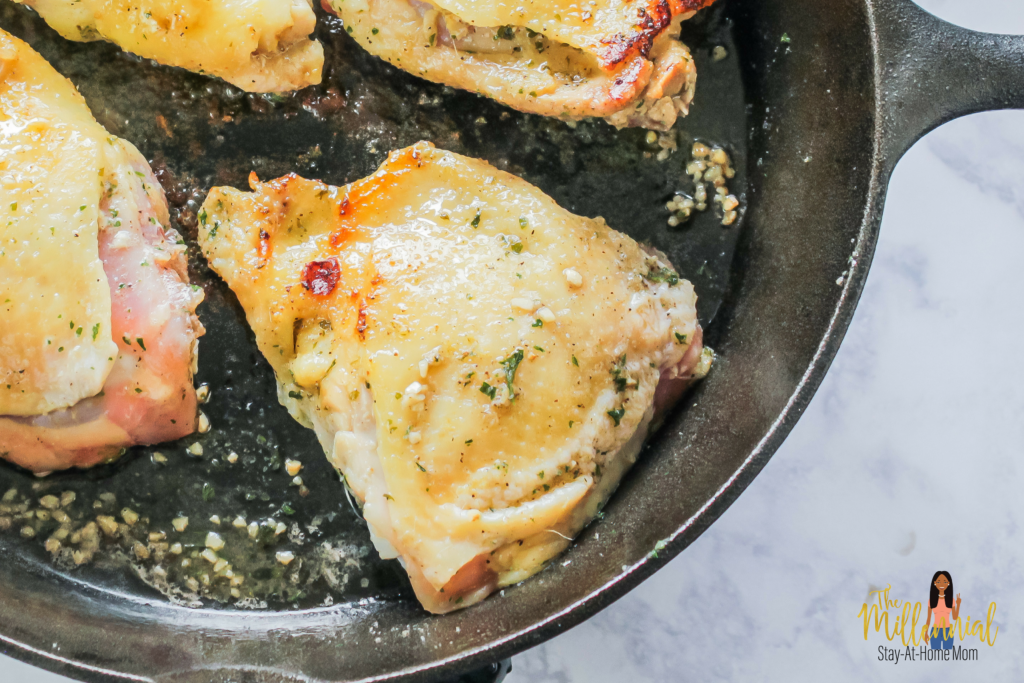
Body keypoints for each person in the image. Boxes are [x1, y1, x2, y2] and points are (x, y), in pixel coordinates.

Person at [924, 571, 961, 650]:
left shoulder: (951, 600)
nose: (941, 584)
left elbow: (954, 617)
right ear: (934, 583)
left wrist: (958, 604)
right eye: (938, 581)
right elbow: (928, 619)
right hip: (935, 631)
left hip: (948, 631)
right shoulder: (931, 601)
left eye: (945, 582)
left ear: (948, 583)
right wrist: (926, 632)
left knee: (947, 655)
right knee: (935, 654)